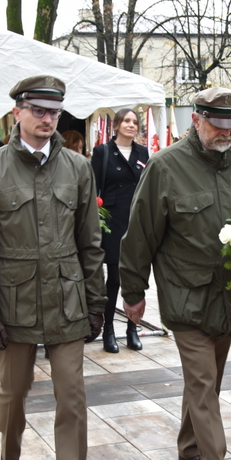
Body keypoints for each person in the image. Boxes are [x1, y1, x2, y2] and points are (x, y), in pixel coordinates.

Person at [120, 87, 231, 460]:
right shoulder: (166, 167)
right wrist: (133, 293)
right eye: (217, 125)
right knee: (204, 385)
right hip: (185, 294)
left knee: (211, 380)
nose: (226, 134)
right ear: (196, 120)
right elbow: (139, 235)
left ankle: (190, 447)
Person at [0, 75, 106, 460]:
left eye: (55, 113)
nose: (48, 120)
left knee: (73, 399)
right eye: (40, 111)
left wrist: (97, 302)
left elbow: (91, 243)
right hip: (15, 302)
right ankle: (9, 458)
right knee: (13, 395)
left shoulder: (78, 168)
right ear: (18, 112)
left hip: (66, 300)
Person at [91, 109, 149, 353]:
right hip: (112, 222)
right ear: (116, 125)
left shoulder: (143, 152)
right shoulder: (103, 152)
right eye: (126, 121)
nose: (131, 125)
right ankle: (109, 331)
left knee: (133, 277)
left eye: (135, 122)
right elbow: (93, 186)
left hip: (135, 222)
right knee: (114, 278)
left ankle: (132, 329)